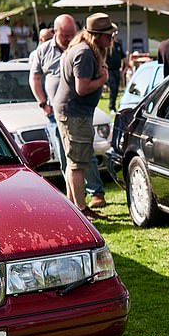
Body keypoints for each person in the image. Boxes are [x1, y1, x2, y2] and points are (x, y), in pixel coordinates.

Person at [29, 14, 106, 209]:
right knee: (71, 159)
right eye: (65, 35)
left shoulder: (74, 49)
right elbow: (35, 78)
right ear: (56, 32)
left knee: (80, 157)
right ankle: (78, 206)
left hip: (69, 110)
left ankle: (90, 195)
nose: (69, 38)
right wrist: (43, 103)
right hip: (62, 111)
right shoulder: (48, 51)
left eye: (73, 34)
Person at [53, 13, 113, 219]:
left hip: (74, 112)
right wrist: (103, 79)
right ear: (97, 35)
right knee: (77, 164)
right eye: (109, 35)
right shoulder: (85, 53)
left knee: (74, 162)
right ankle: (81, 209)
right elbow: (82, 87)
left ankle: (75, 208)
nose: (112, 39)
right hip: (74, 113)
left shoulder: (84, 49)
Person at [107, 36, 125, 112]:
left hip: (117, 70)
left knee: (116, 89)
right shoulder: (107, 45)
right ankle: (111, 107)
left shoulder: (118, 45)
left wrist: (126, 67)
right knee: (113, 88)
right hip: (109, 70)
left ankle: (113, 106)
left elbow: (123, 57)